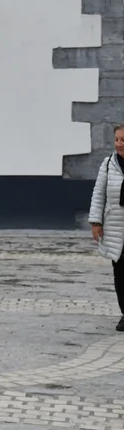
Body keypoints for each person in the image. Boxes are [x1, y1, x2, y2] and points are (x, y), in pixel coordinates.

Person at [89, 123, 124, 332]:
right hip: (116, 229)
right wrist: (96, 222)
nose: (119, 144)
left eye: (123, 140)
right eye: (117, 139)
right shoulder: (109, 164)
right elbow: (98, 194)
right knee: (120, 275)